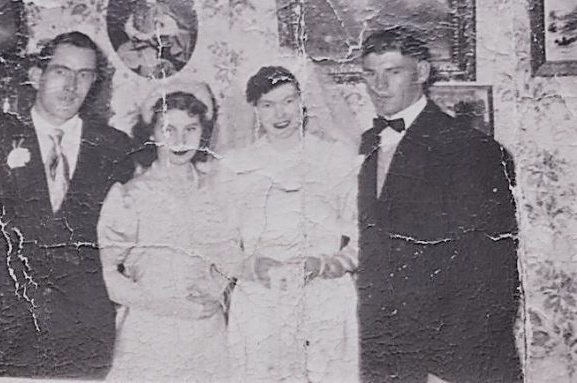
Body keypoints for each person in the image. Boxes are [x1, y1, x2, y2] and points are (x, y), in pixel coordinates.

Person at [356, 27, 522, 383]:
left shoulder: (473, 151)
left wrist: (446, 371)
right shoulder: (368, 146)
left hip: (453, 363)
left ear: (422, 72)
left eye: (393, 72)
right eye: (370, 74)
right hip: (387, 360)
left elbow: (491, 276)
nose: (378, 86)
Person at [0, 31, 135, 378]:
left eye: (84, 75)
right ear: (36, 75)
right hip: (2, 339)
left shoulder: (115, 148)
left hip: (84, 336)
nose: (71, 85)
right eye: (61, 71)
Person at [224, 65, 359, 383]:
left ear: (304, 101)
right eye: (267, 104)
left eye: (288, 101)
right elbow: (220, 243)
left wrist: (325, 264)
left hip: (324, 298)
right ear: (255, 109)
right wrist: (253, 267)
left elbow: (363, 236)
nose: (279, 113)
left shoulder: (335, 158)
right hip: (259, 303)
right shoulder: (235, 165)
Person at [98, 81, 236, 382]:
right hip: (151, 330)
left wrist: (214, 291)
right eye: (168, 129)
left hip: (206, 332)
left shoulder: (215, 191)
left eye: (191, 129)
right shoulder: (130, 195)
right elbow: (107, 275)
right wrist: (164, 304)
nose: (180, 139)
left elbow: (229, 256)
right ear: (151, 133)